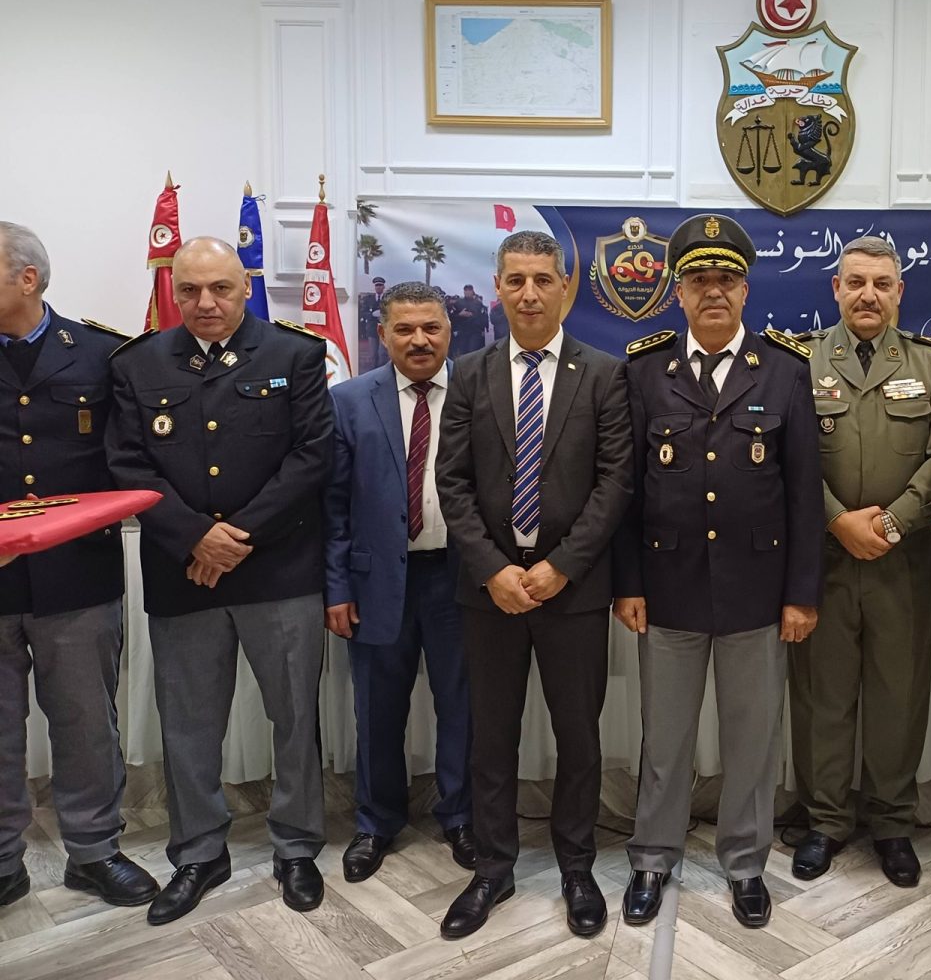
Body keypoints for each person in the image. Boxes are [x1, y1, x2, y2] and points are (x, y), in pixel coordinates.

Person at [106, 237, 333, 925]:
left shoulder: (294, 354)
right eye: (191, 289)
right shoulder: (138, 363)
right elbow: (127, 463)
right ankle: (199, 852)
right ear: (174, 290)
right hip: (184, 575)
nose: (205, 302)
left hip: (279, 570)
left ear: (246, 287)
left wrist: (236, 538)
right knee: (189, 723)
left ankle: (297, 844)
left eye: (221, 288)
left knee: (294, 716)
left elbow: (312, 456)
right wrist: (194, 537)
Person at [616, 213, 822, 931]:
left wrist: (801, 594)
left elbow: (804, 495)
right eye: (699, 279)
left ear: (745, 291)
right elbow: (627, 492)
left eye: (727, 279)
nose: (714, 291)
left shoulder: (786, 370)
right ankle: (652, 858)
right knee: (665, 738)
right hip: (667, 589)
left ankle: (745, 864)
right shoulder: (646, 370)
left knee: (752, 742)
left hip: (757, 594)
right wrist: (628, 582)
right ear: (677, 292)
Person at [435, 231, 632, 940]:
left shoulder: (604, 374)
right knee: (492, 736)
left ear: (564, 287)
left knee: (579, 736)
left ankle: (577, 867)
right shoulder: (470, 373)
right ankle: (493, 867)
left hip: (572, 591)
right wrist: (494, 569)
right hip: (490, 592)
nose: (528, 294)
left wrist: (561, 566)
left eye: (542, 280)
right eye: (515, 280)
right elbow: (452, 482)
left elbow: (615, 483)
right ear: (497, 287)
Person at [0, 222, 159, 910]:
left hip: (77, 576)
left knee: (87, 723)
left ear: (27, 278)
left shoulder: (100, 353)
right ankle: (2, 861)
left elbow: (129, 457)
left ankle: (93, 853)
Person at [788, 236, 931, 887]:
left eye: (882, 284)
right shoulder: (799, 360)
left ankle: (891, 823)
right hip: (822, 560)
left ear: (899, 292)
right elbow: (789, 456)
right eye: (855, 282)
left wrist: (888, 522)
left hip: (900, 561)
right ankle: (825, 821)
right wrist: (837, 519)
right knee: (822, 697)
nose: (868, 295)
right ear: (835, 288)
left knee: (898, 697)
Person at [324, 281, 474, 885]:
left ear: (449, 332)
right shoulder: (348, 401)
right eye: (405, 329)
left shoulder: (478, 394)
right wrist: (337, 588)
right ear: (383, 334)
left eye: (431, 328)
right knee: (377, 710)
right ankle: (376, 821)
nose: (419, 340)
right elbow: (333, 505)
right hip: (376, 582)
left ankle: (460, 816)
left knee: (463, 707)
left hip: (459, 580)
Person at [450, 284, 489, 357]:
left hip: (475, 332)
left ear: (472, 291)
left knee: (472, 352)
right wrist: (460, 315)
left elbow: (483, 317)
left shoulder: (478, 303)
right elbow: (451, 317)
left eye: (469, 290)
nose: (467, 292)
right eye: (466, 290)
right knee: (463, 353)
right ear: (464, 291)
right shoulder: (458, 303)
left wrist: (483, 329)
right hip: (462, 332)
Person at [357, 275, 386, 370]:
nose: (378, 287)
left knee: (382, 353)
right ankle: (373, 372)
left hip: (384, 329)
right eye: (377, 285)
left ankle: (382, 372)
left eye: (380, 285)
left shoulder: (387, 299)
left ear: (383, 287)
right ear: (374, 287)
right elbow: (363, 312)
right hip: (372, 329)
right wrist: (372, 314)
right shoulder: (368, 299)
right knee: (373, 354)